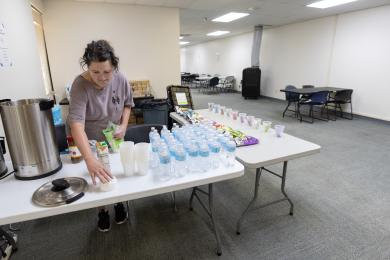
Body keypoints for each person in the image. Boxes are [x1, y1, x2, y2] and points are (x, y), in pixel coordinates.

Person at [68, 40, 134, 232]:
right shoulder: (80, 85)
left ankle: (119, 203)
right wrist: (89, 157)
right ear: (87, 67)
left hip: (114, 136)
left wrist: (123, 125)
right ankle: (102, 211)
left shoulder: (121, 79)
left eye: (107, 72)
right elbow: (76, 124)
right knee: (98, 176)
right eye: (95, 72)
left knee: (118, 172)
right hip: (90, 138)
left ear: (114, 66)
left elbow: (128, 104)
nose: (101, 78)